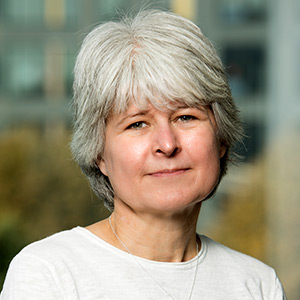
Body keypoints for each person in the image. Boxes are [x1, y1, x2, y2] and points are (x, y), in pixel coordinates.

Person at [0, 9, 286, 299]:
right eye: (137, 123)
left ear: (221, 137)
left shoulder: (258, 284)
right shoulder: (49, 274)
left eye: (185, 117)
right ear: (99, 154)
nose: (167, 143)